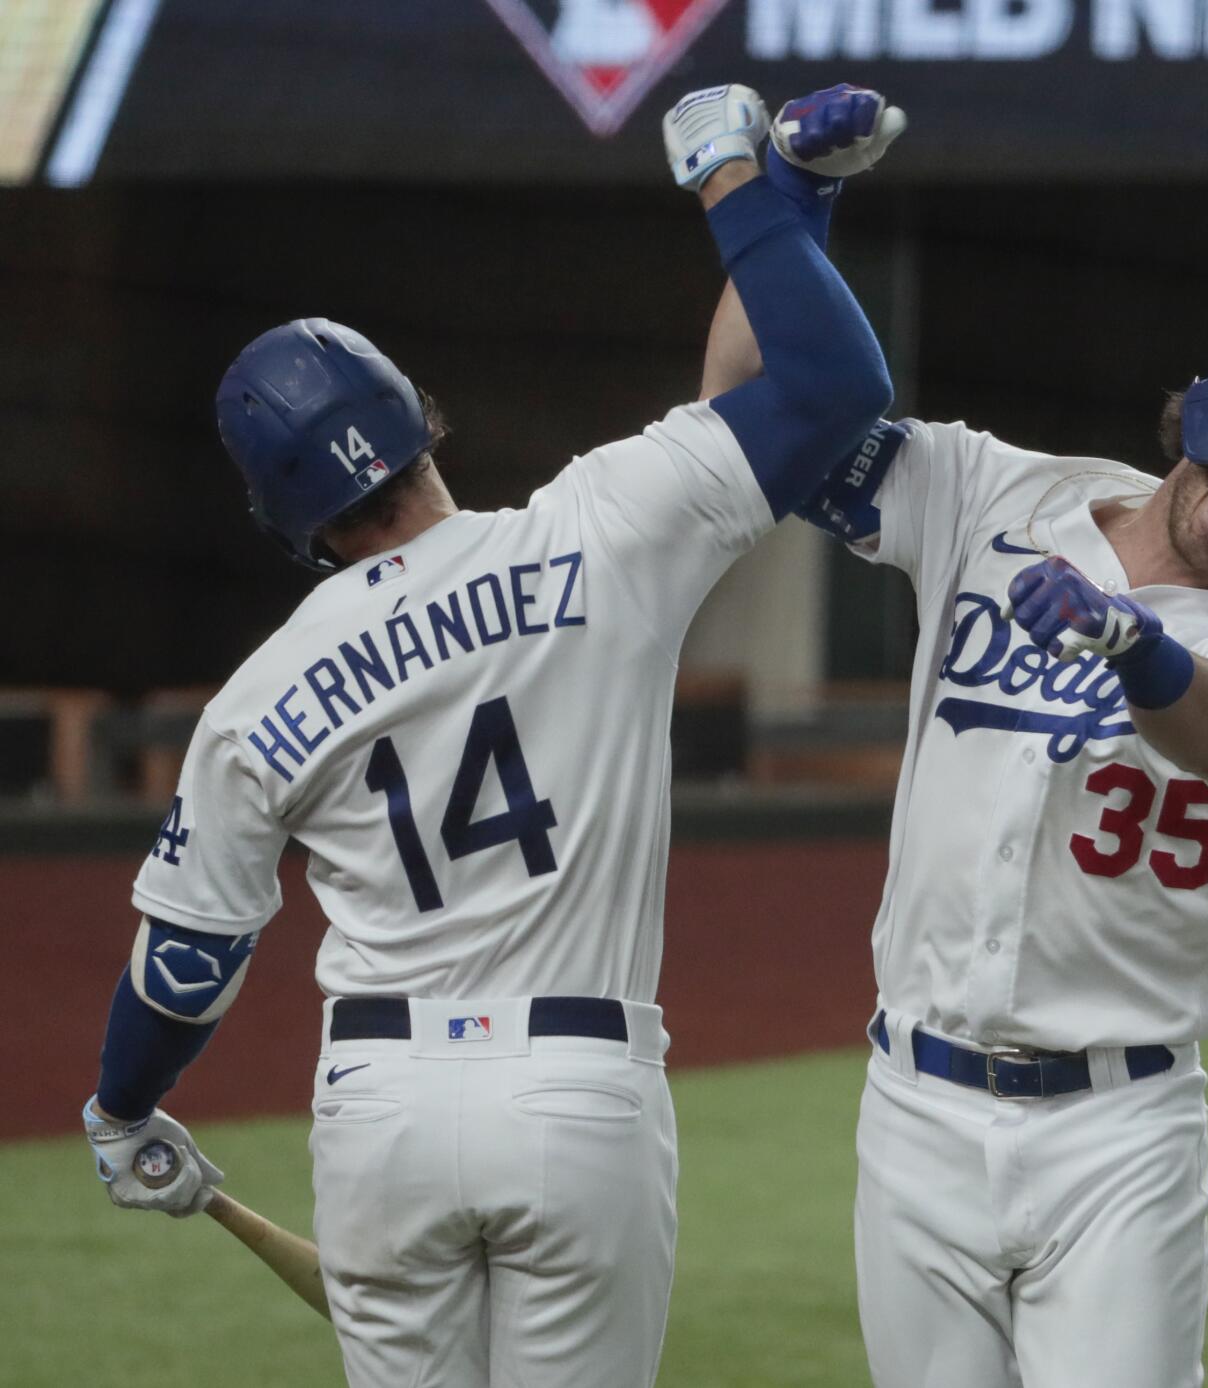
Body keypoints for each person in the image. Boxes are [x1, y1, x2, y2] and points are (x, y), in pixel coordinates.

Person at [80, 84, 895, 1388]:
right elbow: (829, 383)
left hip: (381, 1110)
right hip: (578, 1091)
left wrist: (123, 1108)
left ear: (284, 518)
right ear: (417, 412)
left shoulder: (255, 695)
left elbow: (185, 966)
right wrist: (760, 193)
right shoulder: (599, 526)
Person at [705, 108, 1208, 1387]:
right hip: (916, 1106)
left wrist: (1132, 642)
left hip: (1119, 1130)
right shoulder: (995, 492)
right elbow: (744, 424)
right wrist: (786, 206)